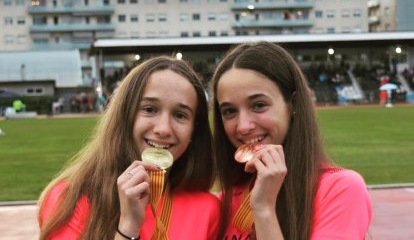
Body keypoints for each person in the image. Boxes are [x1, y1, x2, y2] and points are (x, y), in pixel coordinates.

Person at [38, 56, 219, 239]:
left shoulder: (208, 209)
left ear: (194, 131)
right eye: (149, 109)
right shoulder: (69, 198)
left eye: (180, 115)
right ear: (125, 115)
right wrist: (128, 226)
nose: (163, 129)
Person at [211, 42, 372, 239]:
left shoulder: (340, 189)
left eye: (259, 105)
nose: (243, 126)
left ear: (293, 104)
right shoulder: (223, 202)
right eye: (229, 111)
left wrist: (263, 209)